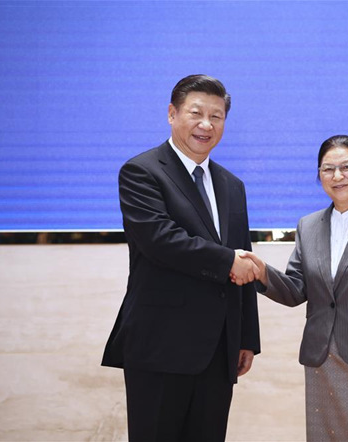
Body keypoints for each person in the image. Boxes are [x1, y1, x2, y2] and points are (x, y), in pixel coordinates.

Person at [101, 74, 261, 442]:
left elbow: (244, 256)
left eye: (217, 116)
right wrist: (225, 262)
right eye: (196, 113)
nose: (206, 124)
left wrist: (246, 337)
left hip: (218, 351)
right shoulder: (142, 171)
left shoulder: (232, 186)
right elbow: (160, 240)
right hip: (160, 347)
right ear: (172, 114)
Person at [238, 135, 348, 441]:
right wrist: (262, 272)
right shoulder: (308, 226)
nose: (337, 176)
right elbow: (296, 289)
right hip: (323, 360)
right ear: (318, 175)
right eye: (327, 169)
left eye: (346, 166)